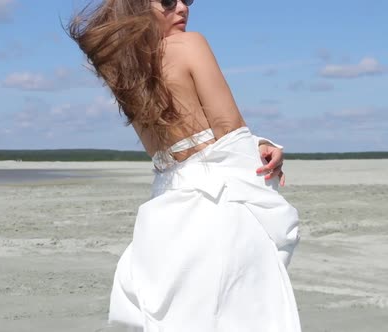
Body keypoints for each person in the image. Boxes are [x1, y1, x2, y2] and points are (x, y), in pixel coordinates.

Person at [68, 0, 300, 331]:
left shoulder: (119, 70)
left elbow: (170, 150)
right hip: (218, 209)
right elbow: (230, 136)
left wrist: (258, 144)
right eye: (167, 1)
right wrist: (261, 151)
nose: (182, 8)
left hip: (164, 216)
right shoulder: (191, 44)